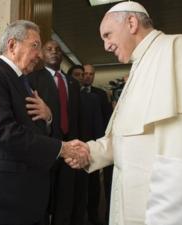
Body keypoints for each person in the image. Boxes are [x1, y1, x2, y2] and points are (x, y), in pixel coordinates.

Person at [67, 1, 182, 225]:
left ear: (131, 23)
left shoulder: (181, 49)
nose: (106, 45)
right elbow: (130, 139)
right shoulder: (140, 65)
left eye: (108, 35)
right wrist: (90, 151)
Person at [0, 20, 89, 225]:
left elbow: (34, 128)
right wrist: (62, 148)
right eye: (35, 45)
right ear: (12, 45)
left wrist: (48, 117)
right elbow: (4, 133)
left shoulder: (24, 81)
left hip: (27, 196)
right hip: (2, 199)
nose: (39, 54)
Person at [28, 40, 83, 225]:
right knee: (42, 198)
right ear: (42, 54)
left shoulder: (73, 83)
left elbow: (76, 116)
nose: (54, 52)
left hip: (71, 147)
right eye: (49, 49)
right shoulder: (32, 79)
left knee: (65, 199)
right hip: (46, 147)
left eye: (58, 49)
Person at [80, 64, 112, 225]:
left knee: (93, 186)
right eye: (85, 73)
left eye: (91, 74)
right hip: (76, 143)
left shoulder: (100, 95)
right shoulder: (72, 92)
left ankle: (93, 216)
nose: (87, 76)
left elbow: (106, 120)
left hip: (94, 145)